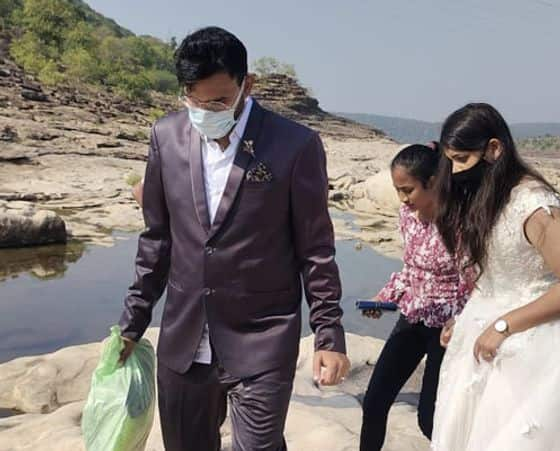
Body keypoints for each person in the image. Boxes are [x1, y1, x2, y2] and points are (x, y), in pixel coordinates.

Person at [116, 26, 350, 451]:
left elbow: (315, 249)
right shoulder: (165, 137)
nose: (206, 110)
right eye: (195, 99)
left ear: (248, 85)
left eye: (220, 100)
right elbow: (156, 239)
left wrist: (328, 334)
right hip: (185, 339)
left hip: (262, 339)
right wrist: (132, 322)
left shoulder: (295, 145)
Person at [430, 103, 560, 450]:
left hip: (535, 346)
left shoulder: (533, 204)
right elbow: (497, 273)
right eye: (450, 160)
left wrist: (503, 325)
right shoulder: (486, 196)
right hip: (483, 337)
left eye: (461, 159)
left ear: (494, 150)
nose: (454, 171)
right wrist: (468, 316)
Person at [359, 144, 474, 451]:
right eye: (398, 190)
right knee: (374, 403)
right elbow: (410, 269)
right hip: (413, 316)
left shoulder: (463, 220)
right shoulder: (408, 217)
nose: (403, 199)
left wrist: (461, 321)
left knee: (429, 418)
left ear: (434, 181)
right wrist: (385, 298)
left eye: (407, 190)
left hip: (448, 329)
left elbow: (475, 281)